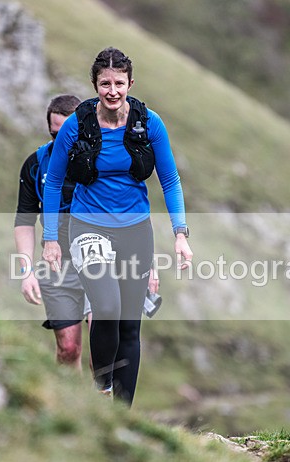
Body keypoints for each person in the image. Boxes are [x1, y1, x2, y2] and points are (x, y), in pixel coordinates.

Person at [41, 47, 192, 405]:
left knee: (129, 324)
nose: (112, 91)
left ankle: (122, 414)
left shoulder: (149, 123)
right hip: (88, 225)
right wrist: (50, 238)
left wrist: (180, 234)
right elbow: (53, 181)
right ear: (95, 85)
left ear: (130, 83)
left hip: (135, 230)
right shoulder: (77, 124)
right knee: (106, 307)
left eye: (119, 83)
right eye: (105, 83)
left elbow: (169, 181)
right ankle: (103, 388)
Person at [14, 94, 91, 369]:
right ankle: (72, 408)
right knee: (68, 349)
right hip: (56, 267)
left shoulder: (104, 161)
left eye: (66, 134)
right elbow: (24, 221)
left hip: (102, 262)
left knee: (104, 342)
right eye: (53, 133)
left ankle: (107, 408)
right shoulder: (36, 164)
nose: (59, 141)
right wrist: (26, 272)